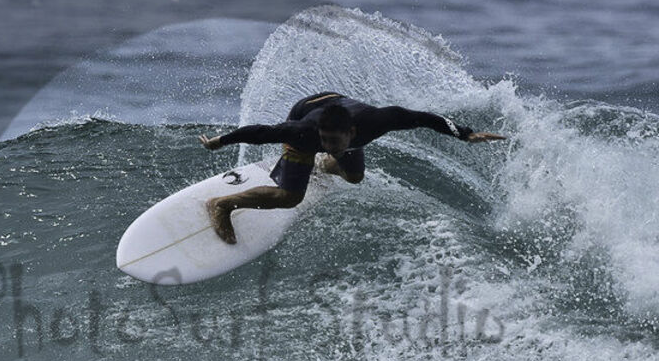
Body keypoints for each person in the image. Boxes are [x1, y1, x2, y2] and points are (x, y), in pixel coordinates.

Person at [198, 92, 505, 243]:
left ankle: (319, 166)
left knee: (355, 176)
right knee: (291, 197)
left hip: (337, 108)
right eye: (326, 142)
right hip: (307, 113)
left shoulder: (380, 120)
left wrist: (465, 134)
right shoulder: (304, 133)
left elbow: (425, 118)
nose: (330, 146)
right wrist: (219, 141)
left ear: (352, 134)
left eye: (335, 142)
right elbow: (260, 132)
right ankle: (222, 205)